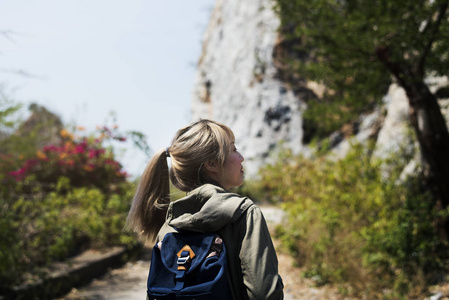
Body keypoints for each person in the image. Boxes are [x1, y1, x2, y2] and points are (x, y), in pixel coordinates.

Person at [126, 119, 284, 300]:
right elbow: (264, 294)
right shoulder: (244, 213)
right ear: (212, 164)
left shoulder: (170, 225)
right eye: (233, 149)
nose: (241, 157)